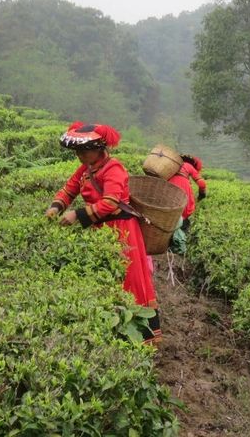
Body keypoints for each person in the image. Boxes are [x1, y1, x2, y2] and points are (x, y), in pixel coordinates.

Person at [46, 122, 162, 344]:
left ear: (99, 149)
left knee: (129, 280)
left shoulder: (113, 169)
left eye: (84, 150)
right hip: (101, 229)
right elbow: (70, 189)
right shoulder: (87, 168)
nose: (79, 155)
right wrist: (56, 207)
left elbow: (110, 203)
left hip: (122, 231)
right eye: (78, 151)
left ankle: (140, 337)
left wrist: (77, 215)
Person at [168, 154, 207, 233]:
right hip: (182, 196)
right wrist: (202, 194)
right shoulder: (188, 166)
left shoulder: (171, 166)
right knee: (184, 216)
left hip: (168, 192)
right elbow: (202, 183)